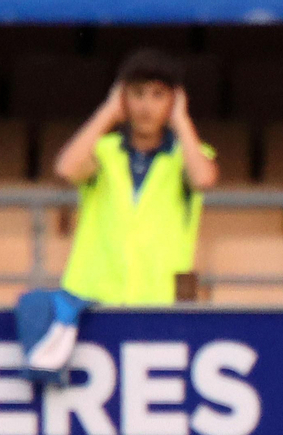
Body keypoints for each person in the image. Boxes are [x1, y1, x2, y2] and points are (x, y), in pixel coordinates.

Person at [54, 48, 218, 306]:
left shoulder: (186, 154)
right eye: (137, 94)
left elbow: (203, 179)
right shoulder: (103, 151)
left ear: (173, 101)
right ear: (123, 98)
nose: (146, 106)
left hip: (161, 300)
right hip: (93, 300)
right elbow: (66, 168)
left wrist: (181, 120)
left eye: (158, 95)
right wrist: (107, 112)